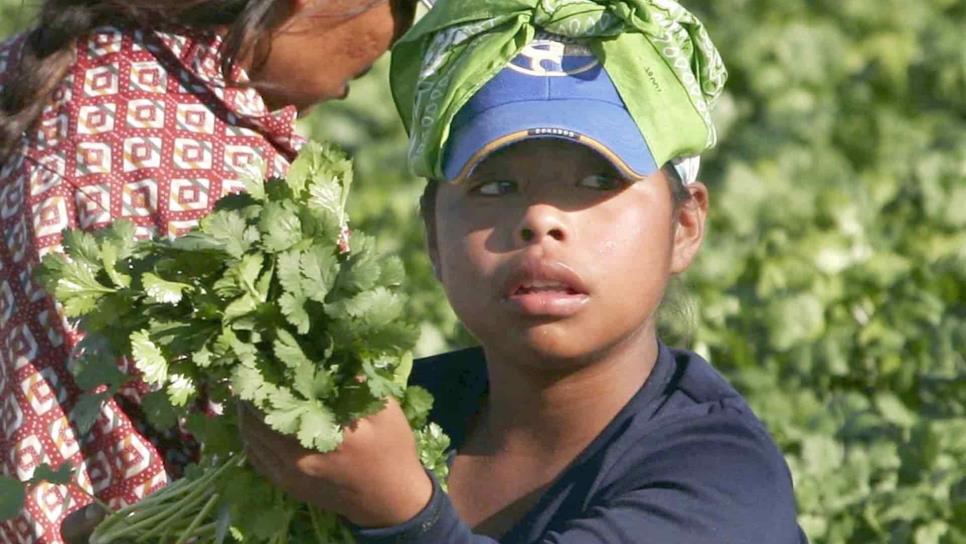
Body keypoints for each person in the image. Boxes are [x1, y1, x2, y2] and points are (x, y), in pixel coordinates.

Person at [239, 0, 808, 542]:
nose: (540, 221)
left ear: (683, 227)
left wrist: (402, 514)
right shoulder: (388, 414)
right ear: (433, 234)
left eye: (596, 183)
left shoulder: (721, 476)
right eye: (495, 186)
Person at [0, 1, 417, 541]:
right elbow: (304, 444)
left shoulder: (40, 65)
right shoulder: (224, 181)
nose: (341, 92)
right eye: (357, 70)